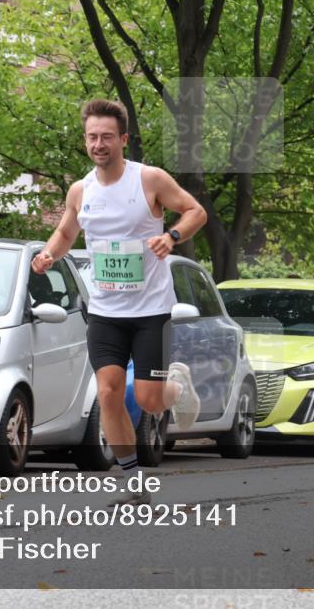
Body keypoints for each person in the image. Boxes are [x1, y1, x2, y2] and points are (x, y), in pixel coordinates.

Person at [31, 99, 207, 504]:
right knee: (108, 392)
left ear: (123, 139)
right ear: (85, 140)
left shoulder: (150, 180)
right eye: (92, 137)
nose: (99, 144)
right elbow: (64, 233)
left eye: (107, 136)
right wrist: (48, 255)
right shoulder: (81, 190)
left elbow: (195, 211)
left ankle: (176, 384)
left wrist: (172, 237)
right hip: (106, 311)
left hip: (151, 311)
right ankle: (133, 480)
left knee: (147, 398)